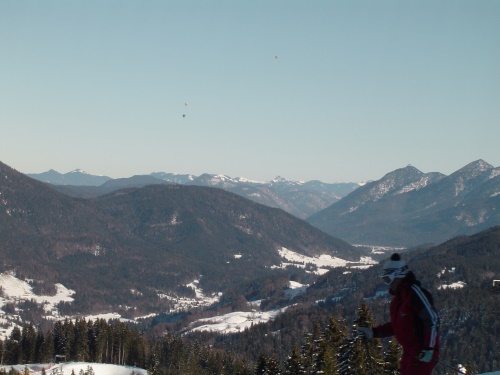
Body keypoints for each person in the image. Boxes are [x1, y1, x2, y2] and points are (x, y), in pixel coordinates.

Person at [358, 253, 440, 375]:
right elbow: (398, 325)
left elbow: (432, 320)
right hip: (411, 351)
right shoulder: (398, 299)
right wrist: (374, 332)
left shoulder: (414, 294)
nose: (388, 284)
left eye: (387, 279)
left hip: (423, 352)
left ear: (398, 275)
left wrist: (428, 349)